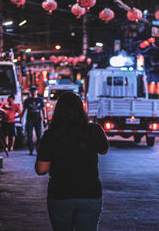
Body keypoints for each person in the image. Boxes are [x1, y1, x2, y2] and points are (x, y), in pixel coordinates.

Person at [35, 92, 109, 231]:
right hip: (89, 193)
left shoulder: (50, 135)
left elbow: (41, 169)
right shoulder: (94, 130)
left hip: (61, 194)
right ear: (81, 109)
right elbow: (104, 150)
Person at [21, 85, 46, 155]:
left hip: (38, 120)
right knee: (29, 135)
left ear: (36, 92)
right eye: (32, 91)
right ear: (30, 92)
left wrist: (45, 119)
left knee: (39, 135)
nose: (33, 92)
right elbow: (24, 110)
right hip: (30, 120)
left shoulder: (40, 100)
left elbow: (43, 109)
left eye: (35, 91)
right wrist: (21, 118)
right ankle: (31, 149)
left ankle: (38, 148)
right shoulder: (27, 100)